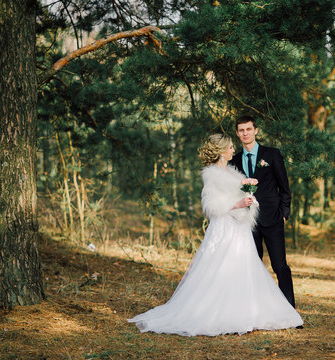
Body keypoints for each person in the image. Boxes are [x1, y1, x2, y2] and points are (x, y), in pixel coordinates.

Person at [128, 134, 303, 336]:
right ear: (221, 151)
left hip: (240, 228)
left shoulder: (231, 171)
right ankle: (220, 312)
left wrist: (248, 197)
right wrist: (239, 203)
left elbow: (241, 196)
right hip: (225, 228)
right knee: (221, 268)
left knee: (245, 268)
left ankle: (248, 310)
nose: (232, 150)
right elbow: (212, 206)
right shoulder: (212, 175)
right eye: (229, 147)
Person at [229, 115, 296, 308]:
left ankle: (290, 309)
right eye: (241, 130)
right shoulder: (234, 161)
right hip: (247, 223)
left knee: (280, 266)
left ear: (255, 130)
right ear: (237, 133)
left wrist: (284, 213)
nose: (245, 133)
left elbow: (284, 187)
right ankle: (256, 310)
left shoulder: (272, 154)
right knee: (252, 267)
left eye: (249, 129)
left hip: (273, 219)